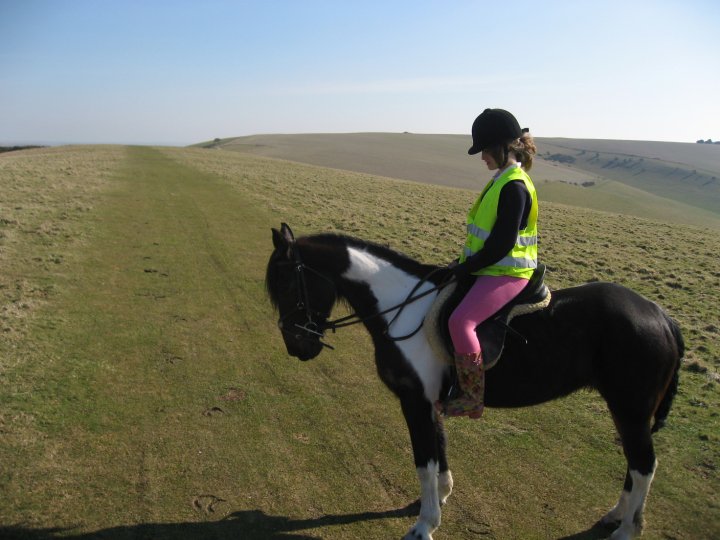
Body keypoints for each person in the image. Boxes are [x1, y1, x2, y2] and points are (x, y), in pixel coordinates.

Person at [441, 108, 538, 418]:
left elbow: (500, 245)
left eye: (484, 149)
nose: (482, 156)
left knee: (461, 322)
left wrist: (465, 268)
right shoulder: (501, 180)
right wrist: (460, 263)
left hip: (508, 272)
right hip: (490, 268)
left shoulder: (514, 186)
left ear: (502, 147)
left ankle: (472, 396)